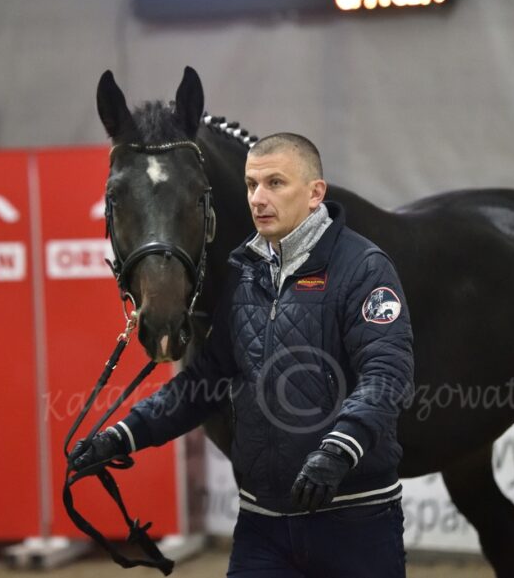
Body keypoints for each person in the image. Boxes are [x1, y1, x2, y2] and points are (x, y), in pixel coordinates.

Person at [71, 133, 414, 577]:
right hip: (262, 526)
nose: (258, 198)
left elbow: (387, 373)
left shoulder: (364, 268)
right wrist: (123, 435)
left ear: (315, 194)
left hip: (354, 521)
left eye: (275, 183)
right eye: (251, 185)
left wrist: (338, 450)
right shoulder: (244, 272)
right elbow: (205, 381)